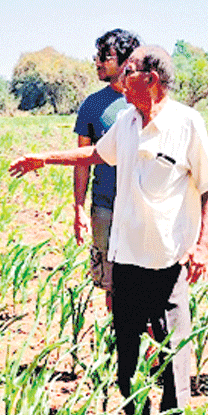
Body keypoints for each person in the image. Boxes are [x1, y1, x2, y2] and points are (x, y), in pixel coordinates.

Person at [11, 45, 208, 415]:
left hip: (169, 254)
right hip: (125, 252)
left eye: (129, 72)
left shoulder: (188, 123)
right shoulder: (125, 121)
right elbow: (95, 154)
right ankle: (132, 414)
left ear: (151, 80)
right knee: (126, 340)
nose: (121, 80)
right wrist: (44, 158)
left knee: (174, 341)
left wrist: (202, 244)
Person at [73, 28, 140, 303]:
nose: (97, 62)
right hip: (105, 206)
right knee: (110, 282)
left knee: (145, 279)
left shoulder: (147, 100)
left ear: (126, 60)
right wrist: (79, 209)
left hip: (143, 206)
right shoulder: (92, 105)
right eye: (96, 56)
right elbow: (82, 161)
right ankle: (120, 339)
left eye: (105, 56)